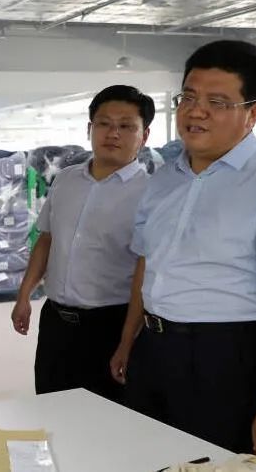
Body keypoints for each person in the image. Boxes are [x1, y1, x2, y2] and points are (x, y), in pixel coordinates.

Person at [119, 40, 256, 460]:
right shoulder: (164, 178)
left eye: (217, 102)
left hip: (226, 357)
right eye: (188, 97)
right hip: (154, 347)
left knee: (217, 464)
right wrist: (129, 339)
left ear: (253, 113)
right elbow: (148, 264)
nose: (196, 111)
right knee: (144, 458)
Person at [11, 85, 153, 403]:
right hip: (56, 322)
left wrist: (127, 342)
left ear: (144, 135)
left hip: (110, 325)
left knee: (106, 416)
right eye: (104, 123)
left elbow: (144, 275)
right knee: (50, 406)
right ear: (90, 128)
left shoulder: (151, 194)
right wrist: (24, 295)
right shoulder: (66, 180)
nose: (112, 133)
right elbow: (47, 238)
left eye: (126, 126)